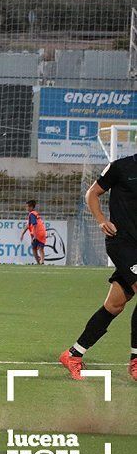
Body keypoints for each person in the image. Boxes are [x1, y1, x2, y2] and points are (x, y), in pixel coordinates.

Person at [59, 153, 137, 381]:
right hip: (122, 243)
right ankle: (135, 361)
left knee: (115, 305)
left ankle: (73, 354)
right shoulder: (121, 167)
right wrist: (102, 219)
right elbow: (92, 193)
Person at [19, 200, 46, 265]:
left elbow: (35, 224)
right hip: (42, 232)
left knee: (34, 248)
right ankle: (42, 261)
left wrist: (35, 236)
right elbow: (28, 225)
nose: (26, 208)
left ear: (31, 207)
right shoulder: (35, 213)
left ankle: (38, 262)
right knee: (41, 248)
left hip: (37, 233)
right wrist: (23, 233)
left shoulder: (32, 214)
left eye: (27, 207)